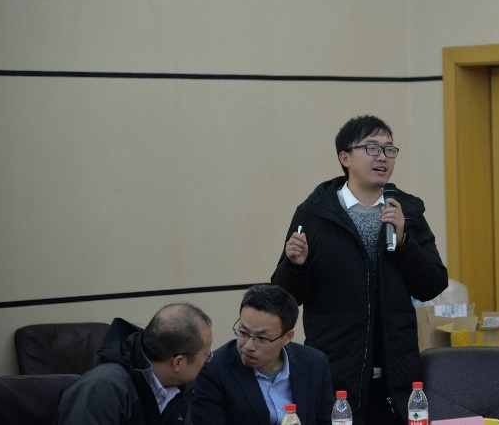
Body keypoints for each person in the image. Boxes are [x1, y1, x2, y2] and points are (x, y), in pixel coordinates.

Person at [271, 114, 449, 424]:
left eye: (389, 149)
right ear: (345, 158)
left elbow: (432, 284)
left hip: (396, 374)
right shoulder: (315, 213)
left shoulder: (407, 211)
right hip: (336, 374)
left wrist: (404, 242)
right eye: (372, 148)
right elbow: (285, 297)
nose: (383, 156)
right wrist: (296, 265)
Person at [192, 283, 334, 425]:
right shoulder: (214, 369)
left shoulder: (314, 363)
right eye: (243, 333)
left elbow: (326, 421)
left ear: (287, 337)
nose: (248, 346)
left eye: (262, 338)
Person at [55, 302, 213, 424]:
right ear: (178, 363)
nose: (208, 361)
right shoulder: (101, 389)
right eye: (206, 354)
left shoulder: (181, 390)